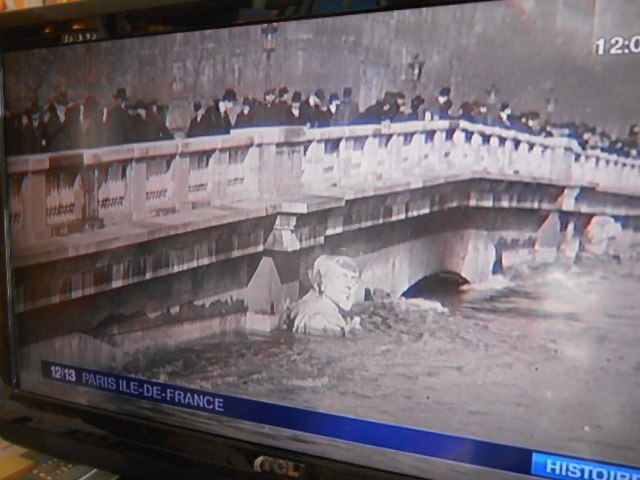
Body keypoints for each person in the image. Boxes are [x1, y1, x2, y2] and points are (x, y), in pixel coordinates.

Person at [286, 255, 362, 337]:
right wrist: (353, 333)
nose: (350, 286)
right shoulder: (326, 322)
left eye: (353, 279)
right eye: (342, 278)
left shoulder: (302, 306)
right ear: (321, 282)